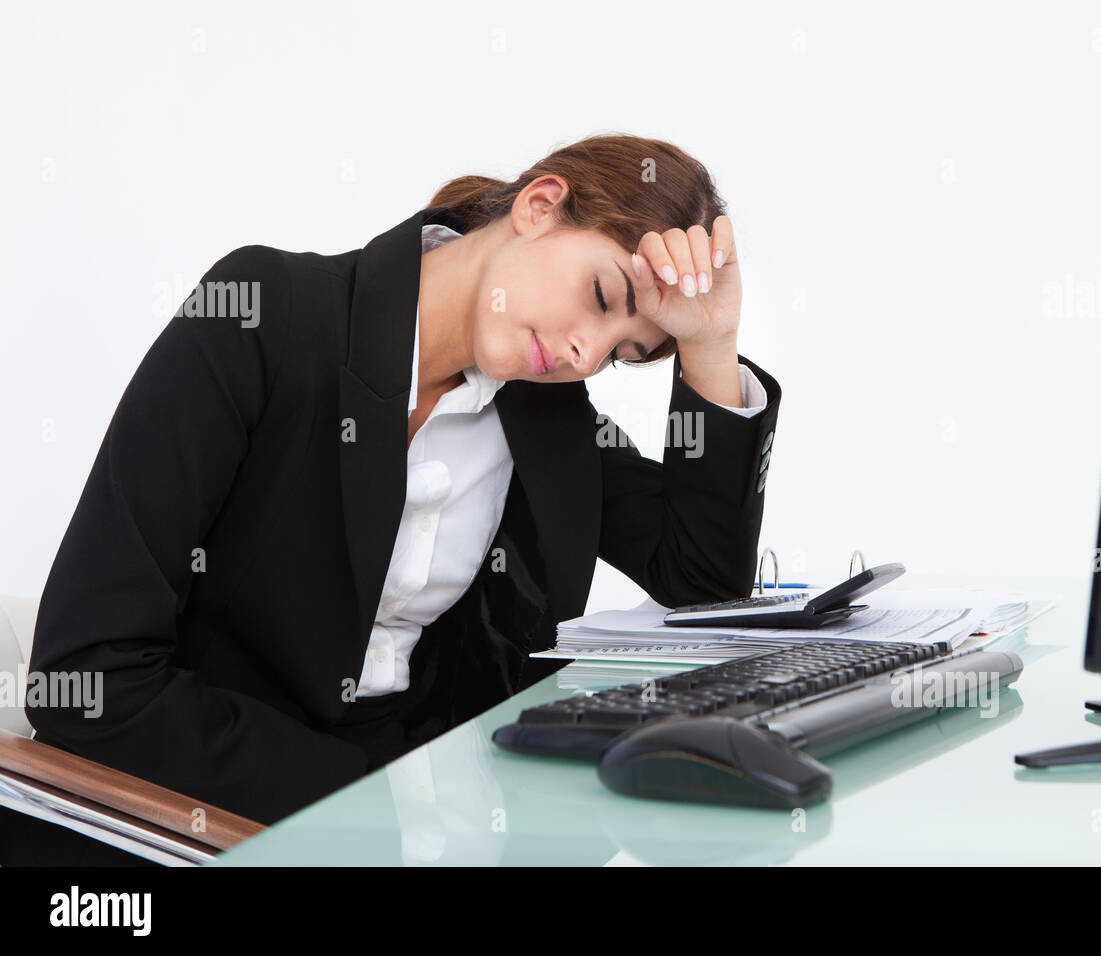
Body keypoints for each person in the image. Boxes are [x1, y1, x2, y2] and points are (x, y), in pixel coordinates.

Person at [24, 133, 782, 826]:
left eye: (624, 353)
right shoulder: (262, 316)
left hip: (432, 813)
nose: (588, 353)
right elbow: (90, 678)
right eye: (601, 298)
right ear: (539, 206)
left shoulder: (546, 412)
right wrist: (378, 804)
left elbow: (702, 584)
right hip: (197, 810)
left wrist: (710, 346)